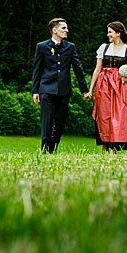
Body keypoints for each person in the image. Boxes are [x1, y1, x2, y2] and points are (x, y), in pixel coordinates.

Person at [31, 17, 90, 153]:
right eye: (64, 28)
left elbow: (78, 69)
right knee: (47, 120)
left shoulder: (70, 47)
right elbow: (37, 70)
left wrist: (84, 90)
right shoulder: (41, 46)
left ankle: (53, 146)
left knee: (61, 122)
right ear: (54, 30)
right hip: (46, 90)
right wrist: (35, 91)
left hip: (64, 91)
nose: (67, 30)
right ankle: (45, 150)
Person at [88, 21, 127, 152]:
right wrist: (90, 89)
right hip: (104, 85)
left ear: (118, 33)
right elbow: (97, 69)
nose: (108, 34)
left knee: (119, 117)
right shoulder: (104, 48)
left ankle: (115, 149)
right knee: (104, 116)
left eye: (110, 32)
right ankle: (105, 148)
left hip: (121, 88)